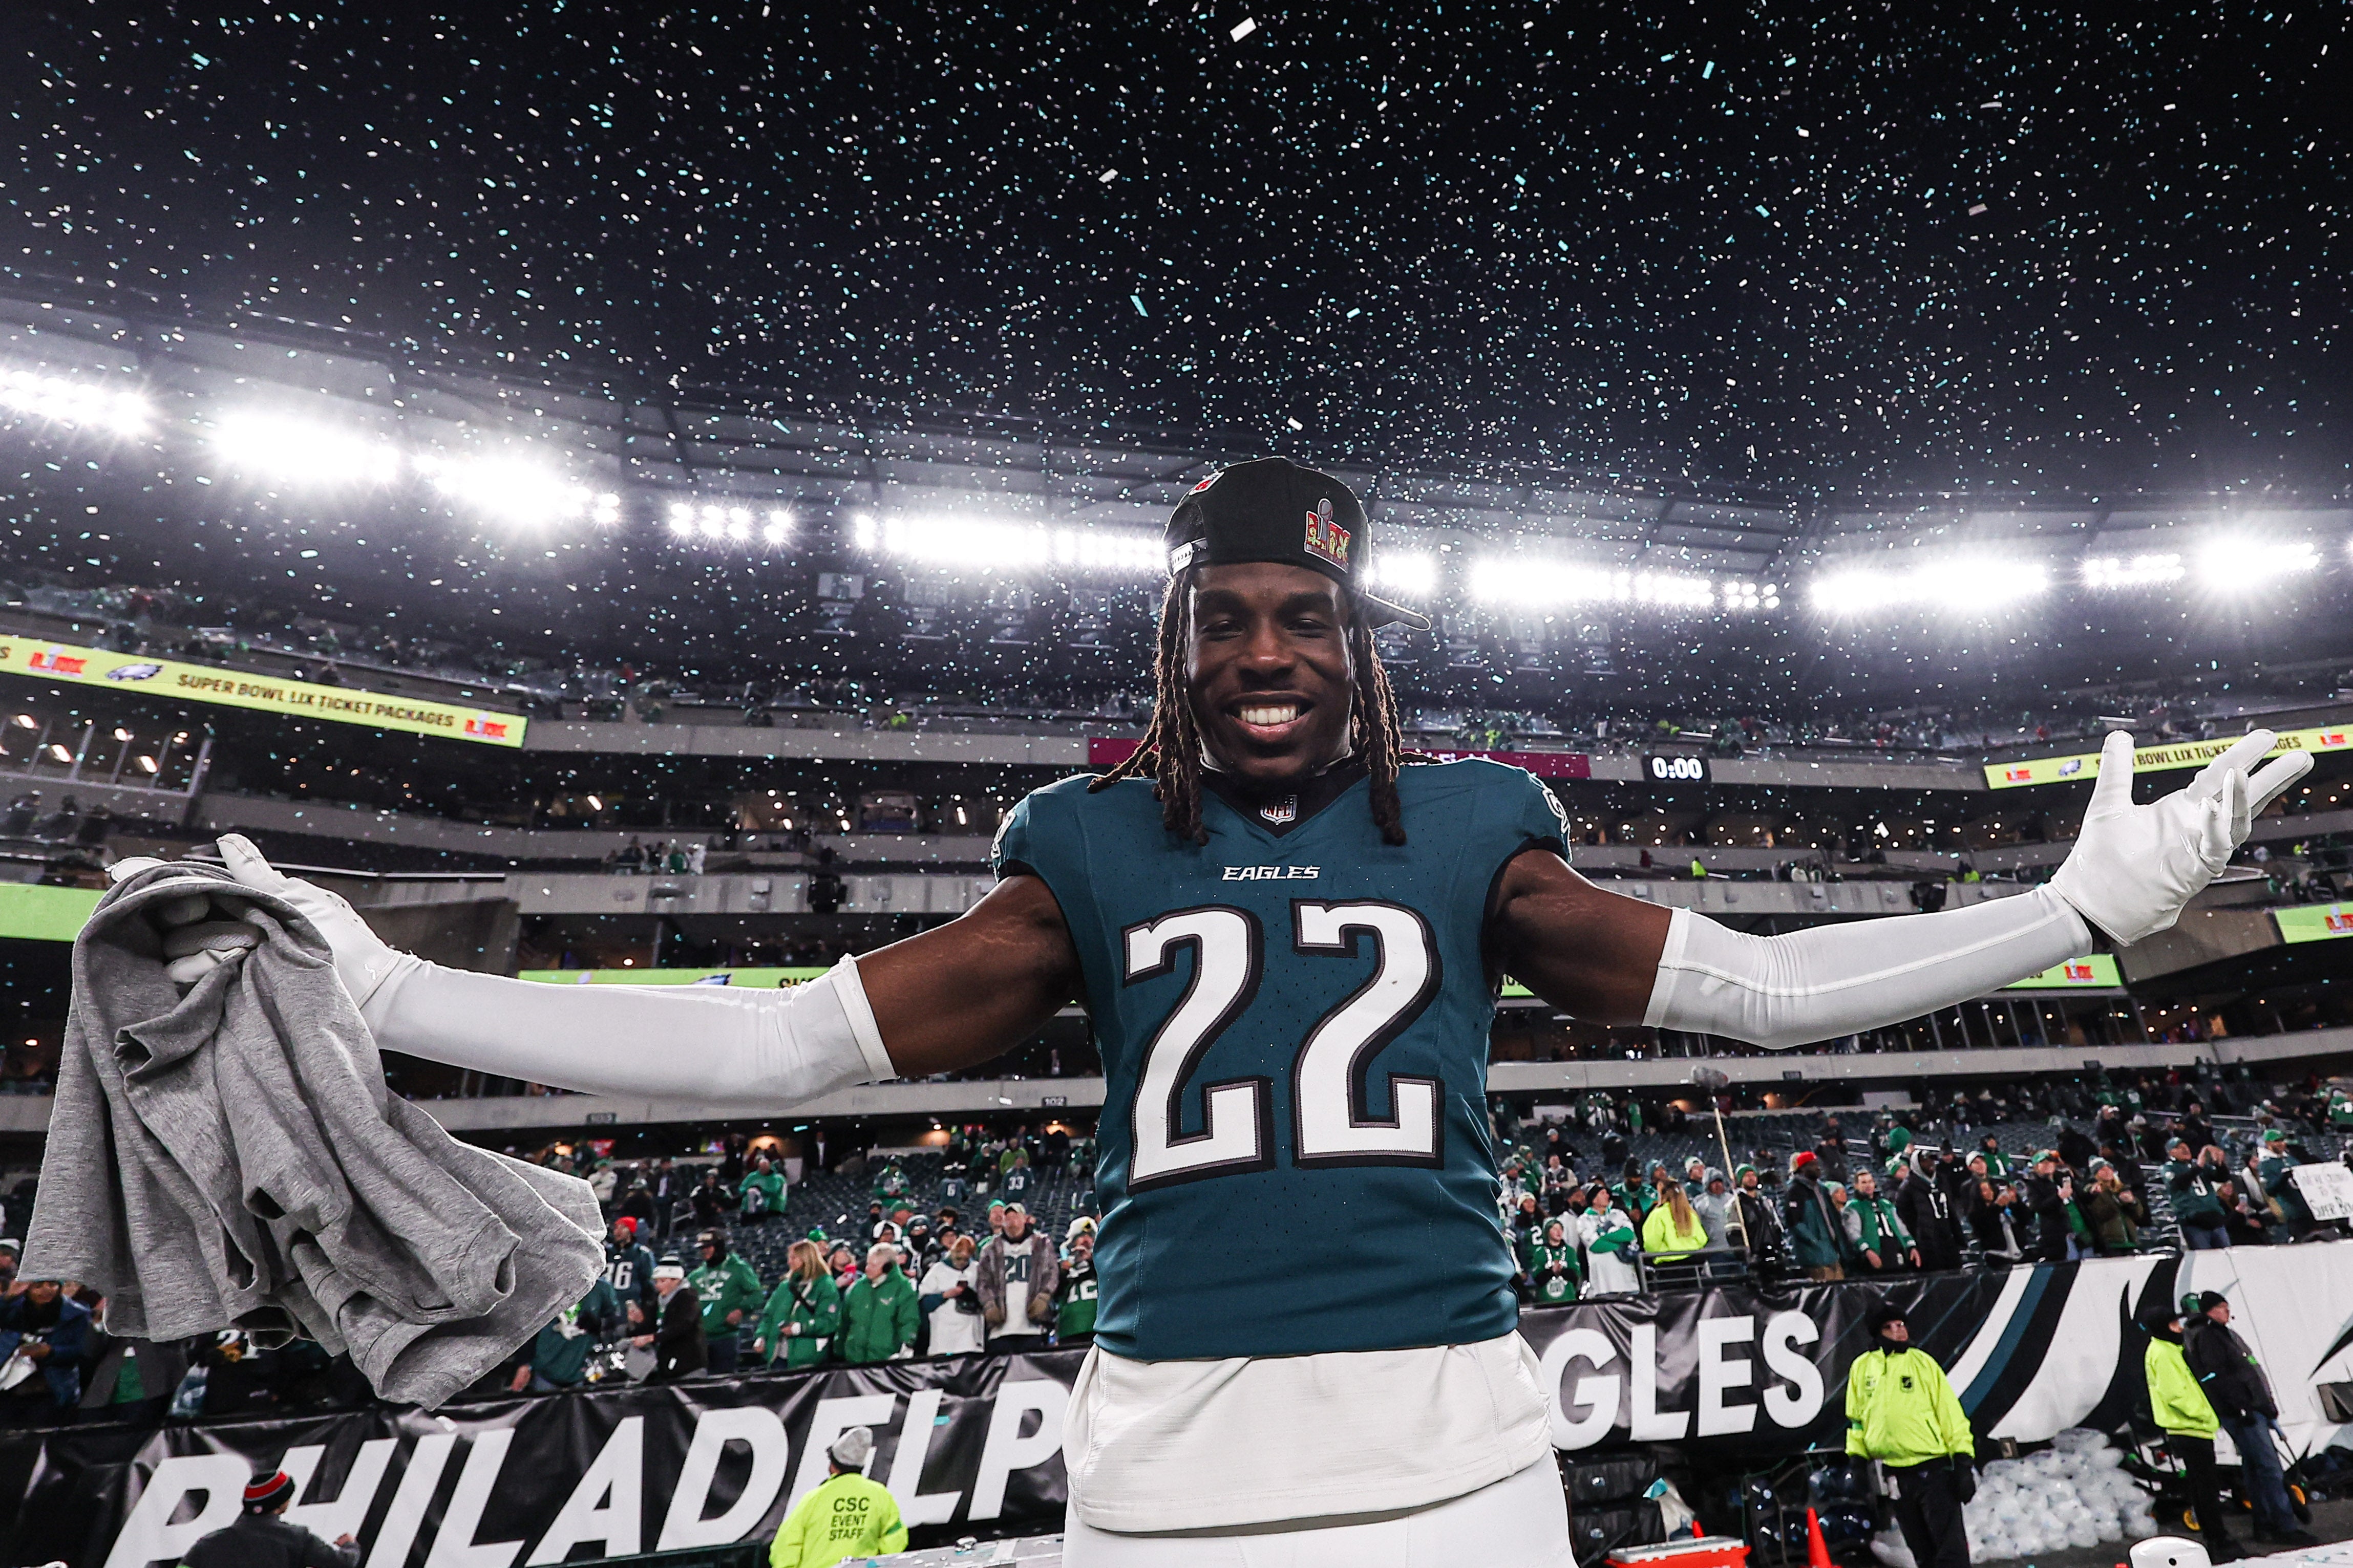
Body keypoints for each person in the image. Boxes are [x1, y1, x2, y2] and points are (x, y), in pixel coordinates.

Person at [222, 456, 2307, 1564]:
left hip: (1455, 1458)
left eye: (1301, 616)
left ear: (1359, 645)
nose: (1261, 651)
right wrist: (391, 985)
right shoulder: (1085, 848)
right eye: (1219, 618)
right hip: (1170, 1473)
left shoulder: (1472, 828)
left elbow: (1754, 992)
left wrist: (2068, 910)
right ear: (1172, 646)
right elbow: (780, 1043)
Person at [2183, 1290, 2320, 1548]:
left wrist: (2264, 1405)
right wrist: (2243, 1407)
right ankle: (2283, 1525)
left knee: (2256, 1468)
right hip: (2243, 1412)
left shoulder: (2221, 1335)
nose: (2227, 1312)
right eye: (2222, 1307)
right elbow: (2221, 1377)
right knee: (2269, 1467)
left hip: (2248, 1409)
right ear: (2210, 1311)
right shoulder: (2209, 1338)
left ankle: (2265, 1524)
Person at [1845, 1303, 1975, 1568]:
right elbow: (1857, 1420)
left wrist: (1963, 1461)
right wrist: (1857, 1461)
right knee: (1922, 1553)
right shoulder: (1862, 1368)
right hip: (1896, 1476)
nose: (1898, 1331)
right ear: (1877, 1333)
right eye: (1889, 1327)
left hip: (1934, 1472)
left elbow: (1951, 1415)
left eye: (1901, 1324)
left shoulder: (1923, 1363)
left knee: (1950, 1552)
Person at [2143, 1306, 2242, 1562]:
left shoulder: (2167, 1350)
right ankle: (2217, 1541)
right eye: (2174, 1324)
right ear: (2163, 1327)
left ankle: (2217, 1538)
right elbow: (2175, 1395)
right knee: (2205, 1488)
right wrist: (2204, 1414)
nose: (2180, 1328)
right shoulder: (2163, 1353)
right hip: (2189, 1428)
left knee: (2204, 1487)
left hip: (2191, 1427)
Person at [766, 1426, 907, 1568]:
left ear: (833, 1464)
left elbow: (785, 1545)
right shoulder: (880, 1495)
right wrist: (876, 1565)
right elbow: (896, 1537)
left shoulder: (814, 1499)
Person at [181, 1469, 358, 1568]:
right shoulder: (298, 1539)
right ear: (280, 1504)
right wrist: (350, 1546)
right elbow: (342, 1564)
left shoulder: (209, 1544)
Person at [511, 1276, 622, 1393]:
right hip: (545, 1369)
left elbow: (615, 1325)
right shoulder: (543, 1286)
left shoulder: (601, 1288)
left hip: (584, 1371)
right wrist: (524, 1364)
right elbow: (529, 1328)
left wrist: (599, 1324)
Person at [0, 1275, 91, 1417]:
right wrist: (7, 1297)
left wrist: (51, 1352)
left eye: (52, 1284)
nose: (46, 1290)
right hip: (9, 1387)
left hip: (53, 1389)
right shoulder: (15, 1310)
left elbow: (85, 1351)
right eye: (38, 1286)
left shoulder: (77, 1314)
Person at [976, 1202, 1059, 1354]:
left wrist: (1044, 1296)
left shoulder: (1041, 1243)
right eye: (1008, 1218)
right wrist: (989, 1303)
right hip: (1000, 1329)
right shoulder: (990, 1248)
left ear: (1025, 1219)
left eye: (1016, 1217)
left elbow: (1052, 1271)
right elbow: (983, 1279)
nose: (1012, 1222)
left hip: (1033, 1327)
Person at [687, 1229, 764, 1376]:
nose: (704, 1251)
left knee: (724, 1379)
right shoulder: (695, 1276)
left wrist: (741, 1310)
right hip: (699, 1339)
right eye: (702, 1248)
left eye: (708, 1247)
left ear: (720, 1247)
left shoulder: (739, 1268)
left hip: (726, 1337)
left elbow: (757, 1295)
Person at [754, 1239, 841, 1368]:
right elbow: (769, 1315)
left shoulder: (825, 1285)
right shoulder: (785, 1286)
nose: (789, 1262)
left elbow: (829, 1322)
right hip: (777, 1356)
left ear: (807, 1259)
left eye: (794, 1258)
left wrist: (800, 1328)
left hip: (807, 1358)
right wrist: (761, 1336)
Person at [838, 1242, 918, 1365]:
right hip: (854, 1361)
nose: (867, 1269)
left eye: (874, 1265)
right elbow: (844, 1322)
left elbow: (909, 1321)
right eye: (868, 1264)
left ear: (888, 1267)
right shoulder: (857, 1288)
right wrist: (839, 1351)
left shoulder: (903, 1288)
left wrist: (907, 1346)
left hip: (885, 1362)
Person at [632, 1256, 705, 1381]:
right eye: (656, 1282)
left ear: (676, 1280)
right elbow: (649, 1327)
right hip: (665, 1363)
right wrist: (638, 1322)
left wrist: (652, 1338)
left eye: (662, 1281)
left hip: (688, 1363)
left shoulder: (688, 1298)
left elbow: (683, 1325)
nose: (658, 1286)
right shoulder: (656, 1301)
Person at [1895, 1149, 1964, 1273]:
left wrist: (1959, 1237)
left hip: (1948, 1240)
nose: (1930, 1163)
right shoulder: (1908, 1188)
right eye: (1925, 1161)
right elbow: (1904, 1219)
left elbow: (1951, 1211)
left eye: (1931, 1160)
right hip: (1926, 1246)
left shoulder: (1942, 1181)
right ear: (1916, 1164)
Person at [919, 1234, 987, 1357]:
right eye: (959, 1255)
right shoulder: (938, 1270)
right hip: (943, 1340)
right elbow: (924, 1303)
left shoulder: (977, 1269)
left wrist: (971, 1296)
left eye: (966, 1257)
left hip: (971, 1339)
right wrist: (945, 1295)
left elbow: (986, 1299)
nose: (962, 1261)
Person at [1784, 1152, 1846, 1281]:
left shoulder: (1822, 1189)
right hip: (1813, 1255)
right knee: (1825, 1291)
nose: (1818, 1168)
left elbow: (1832, 1219)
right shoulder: (1795, 1190)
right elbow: (1794, 1222)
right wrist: (1814, 1241)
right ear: (1803, 1168)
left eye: (1817, 1164)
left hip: (1831, 1251)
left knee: (1841, 1289)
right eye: (1812, 1165)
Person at [1842, 1169, 1918, 1275]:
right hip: (1874, 1256)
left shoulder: (1886, 1204)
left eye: (1870, 1182)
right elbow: (1853, 1233)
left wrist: (1912, 1246)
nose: (1868, 1185)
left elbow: (1901, 1227)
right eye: (1864, 1182)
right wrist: (1867, 1251)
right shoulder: (1853, 1206)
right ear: (1856, 1186)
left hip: (1896, 1253)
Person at [2167, 1140, 2234, 1250]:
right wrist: (2198, 1167)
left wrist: (2220, 1164)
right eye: (2179, 1147)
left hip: (2214, 1218)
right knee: (2205, 1257)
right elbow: (2180, 1184)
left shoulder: (2198, 1165)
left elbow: (2222, 1178)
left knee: (2227, 1255)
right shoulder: (2169, 1168)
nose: (2185, 1149)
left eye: (2185, 1146)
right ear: (2171, 1152)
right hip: (2194, 1223)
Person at [1578, 1186, 1641, 1296]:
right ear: (1594, 1200)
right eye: (1603, 1193)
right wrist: (1619, 1245)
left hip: (1627, 1279)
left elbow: (1629, 1234)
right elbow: (1595, 1245)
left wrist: (1604, 1236)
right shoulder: (1584, 1220)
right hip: (1604, 1284)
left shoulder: (1619, 1214)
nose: (1608, 1196)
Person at [2257, 1130, 2316, 1240]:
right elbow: (2270, 1190)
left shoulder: (2290, 1159)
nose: (2282, 1143)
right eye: (2277, 1141)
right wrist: (2283, 1177)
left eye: (2282, 1140)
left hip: (2307, 1208)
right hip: (2291, 1211)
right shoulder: (2266, 1164)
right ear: (2268, 1143)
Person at [1639, 1179, 1710, 1266]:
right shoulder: (1690, 1213)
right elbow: (1702, 1239)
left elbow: (1651, 1243)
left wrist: (1664, 1251)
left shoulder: (1658, 1214)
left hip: (1669, 1264)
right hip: (1694, 1261)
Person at [604, 1216, 659, 1326]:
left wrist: (646, 1310)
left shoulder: (642, 1253)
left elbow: (649, 1284)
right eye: (616, 1228)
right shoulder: (605, 1252)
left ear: (631, 1231)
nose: (618, 1231)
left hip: (629, 1308)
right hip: (605, 1308)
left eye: (623, 1228)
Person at [1055, 1226, 1101, 1345]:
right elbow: (1054, 1293)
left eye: (1090, 1237)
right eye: (1081, 1236)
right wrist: (1065, 1271)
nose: (1086, 1240)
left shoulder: (1103, 1264)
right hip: (1069, 1329)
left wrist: (1091, 1261)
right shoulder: (1061, 1268)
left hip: (1098, 1327)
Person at [1523, 1218, 1579, 1305]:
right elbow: (1538, 1278)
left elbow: (1575, 1276)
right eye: (1555, 1229)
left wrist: (1561, 1271)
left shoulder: (1570, 1251)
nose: (1559, 1232)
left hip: (1568, 1300)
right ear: (1548, 1232)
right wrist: (1552, 1271)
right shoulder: (1540, 1252)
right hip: (1547, 1302)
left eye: (1561, 1229)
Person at [739, 1155, 787, 1226]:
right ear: (759, 1167)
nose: (764, 1170)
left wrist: (761, 1190)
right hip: (747, 1207)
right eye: (762, 1168)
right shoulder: (752, 1176)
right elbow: (742, 1188)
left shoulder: (775, 1179)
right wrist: (749, 1189)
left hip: (764, 1208)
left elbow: (774, 1191)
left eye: (765, 1168)